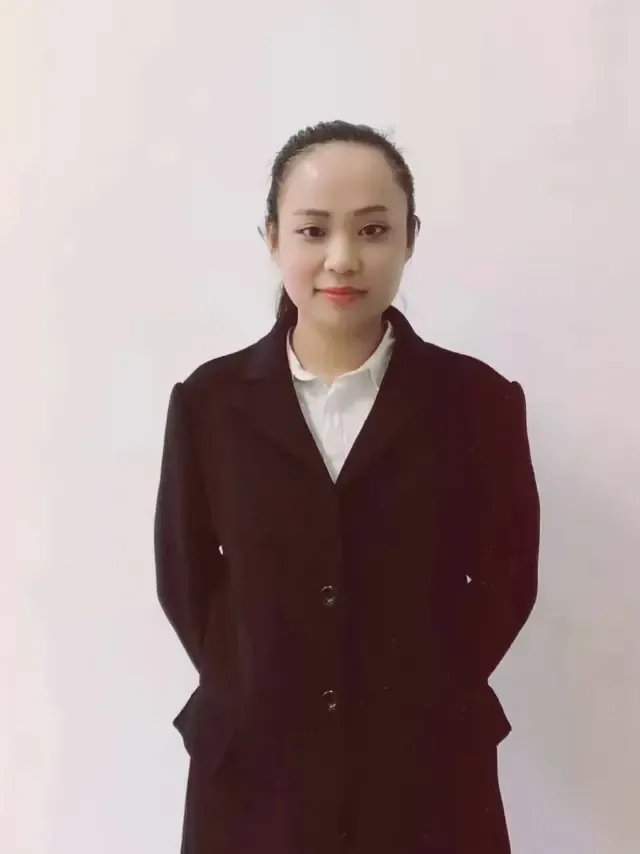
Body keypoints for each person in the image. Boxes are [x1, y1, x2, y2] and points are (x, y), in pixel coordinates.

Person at [154, 119, 540, 854]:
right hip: (253, 775)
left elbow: (507, 577)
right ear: (273, 238)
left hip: (427, 771)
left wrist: (430, 686)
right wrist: (251, 680)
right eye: (312, 230)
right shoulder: (209, 403)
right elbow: (186, 577)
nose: (342, 259)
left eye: (372, 230)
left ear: (410, 238)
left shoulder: (478, 401)